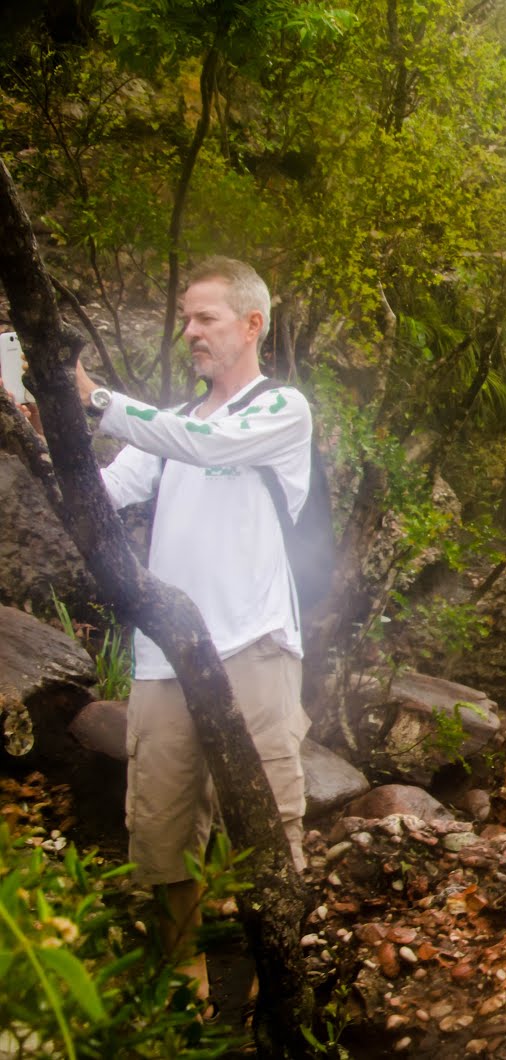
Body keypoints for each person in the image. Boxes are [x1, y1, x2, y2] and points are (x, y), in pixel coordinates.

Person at [74, 257, 312, 1005]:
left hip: (255, 643)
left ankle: (274, 989)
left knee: (271, 824)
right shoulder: (170, 429)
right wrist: (43, 421)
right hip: (164, 657)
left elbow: (206, 446)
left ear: (252, 325)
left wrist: (93, 394)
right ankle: (187, 992)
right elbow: (101, 496)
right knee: (163, 825)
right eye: (186, 320)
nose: (190, 333)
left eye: (205, 318)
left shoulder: (283, 410)